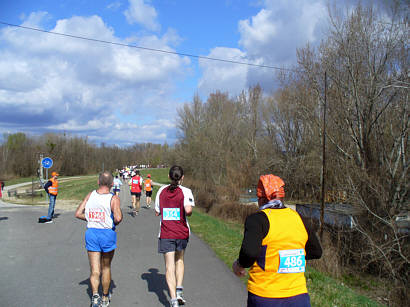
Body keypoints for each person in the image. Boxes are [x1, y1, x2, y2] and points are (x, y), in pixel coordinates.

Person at [232, 174, 322, 307]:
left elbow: (249, 254)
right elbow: (316, 251)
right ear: (281, 196)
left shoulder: (257, 220)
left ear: (261, 198)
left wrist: (239, 264)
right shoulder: (299, 218)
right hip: (298, 297)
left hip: (265, 296)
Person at [75, 171, 122, 307]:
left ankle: (95, 296)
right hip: (107, 233)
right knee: (106, 267)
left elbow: (78, 213)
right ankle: (105, 298)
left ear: (98, 182)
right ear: (112, 184)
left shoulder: (90, 195)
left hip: (92, 233)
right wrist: (109, 219)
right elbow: (118, 218)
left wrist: (91, 218)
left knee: (95, 269)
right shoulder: (113, 199)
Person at [155, 166, 195, 307]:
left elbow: (157, 211)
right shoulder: (186, 191)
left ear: (169, 176)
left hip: (166, 233)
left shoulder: (161, 191)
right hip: (181, 233)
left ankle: (173, 300)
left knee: (169, 266)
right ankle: (179, 291)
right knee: (180, 260)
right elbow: (188, 210)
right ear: (182, 177)